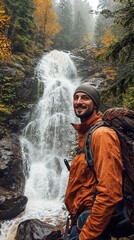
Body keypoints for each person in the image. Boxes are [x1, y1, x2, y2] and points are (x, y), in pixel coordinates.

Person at [63, 83, 123, 240]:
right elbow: (85, 184)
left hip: (94, 229)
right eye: (76, 97)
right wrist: (75, 221)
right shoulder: (86, 135)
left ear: (95, 104)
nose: (79, 101)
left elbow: (110, 191)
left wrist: (87, 234)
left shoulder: (102, 135)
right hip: (82, 220)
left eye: (85, 98)